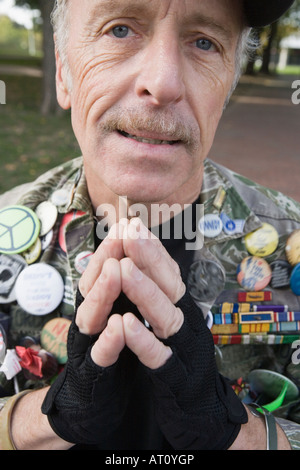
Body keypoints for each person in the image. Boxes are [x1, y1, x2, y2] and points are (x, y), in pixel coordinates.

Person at [0, 0, 299, 451]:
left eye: (205, 42)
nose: (162, 84)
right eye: (120, 30)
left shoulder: (291, 245)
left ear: (228, 87)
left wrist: (244, 434)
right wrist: (42, 419)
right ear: (63, 71)